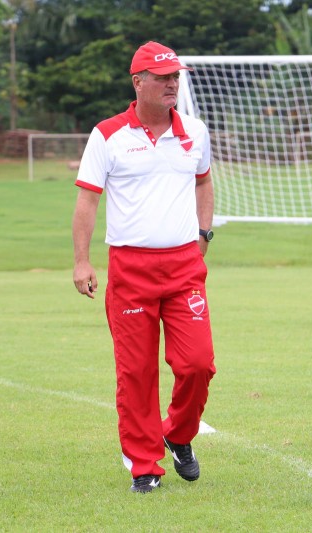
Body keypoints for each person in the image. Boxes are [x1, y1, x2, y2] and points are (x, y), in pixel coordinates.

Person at [71, 41, 216, 494]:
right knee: (135, 373)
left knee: (197, 364)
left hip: (184, 267)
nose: (173, 83)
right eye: (163, 76)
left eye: (176, 76)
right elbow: (87, 199)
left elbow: (204, 181)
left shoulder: (195, 131)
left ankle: (178, 433)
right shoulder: (108, 134)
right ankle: (145, 467)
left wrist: (204, 234)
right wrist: (81, 260)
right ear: (139, 83)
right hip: (130, 269)